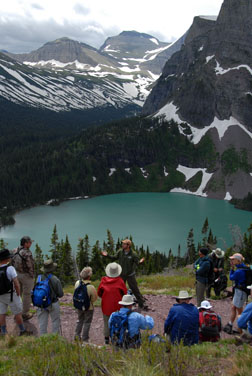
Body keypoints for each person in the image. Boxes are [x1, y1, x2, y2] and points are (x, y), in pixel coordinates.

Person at [101, 239, 147, 309]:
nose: (122, 245)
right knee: (120, 290)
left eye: (124, 244)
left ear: (128, 245)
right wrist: (107, 255)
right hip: (121, 275)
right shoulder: (120, 252)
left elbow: (137, 263)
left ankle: (141, 303)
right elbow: (114, 257)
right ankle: (121, 304)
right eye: (122, 244)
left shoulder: (133, 254)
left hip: (130, 275)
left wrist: (141, 262)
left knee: (135, 289)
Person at [0, 248, 30, 336]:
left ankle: (3, 332)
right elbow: (16, 283)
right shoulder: (10, 268)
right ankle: (22, 330)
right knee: (17, 312)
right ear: (7, 258)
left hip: (0, 295)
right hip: (11, 295)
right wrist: (18, 293)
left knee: (2, 313)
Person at [98, 262, 127, 344]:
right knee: (117, 322)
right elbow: (125, 293)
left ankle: (106, 339)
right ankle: (116, 338)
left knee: (106, 322)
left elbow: (99, 293)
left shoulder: (103, 281)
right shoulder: (120, 281)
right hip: (117, 307)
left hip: (106, 306)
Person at [36, 259, 64, 336]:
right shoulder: (55, 279)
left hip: (41, 304)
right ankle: (55, 339)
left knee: (42, 323)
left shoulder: (39, 278)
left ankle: (43, 340)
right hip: (53, 303)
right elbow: (60, 294)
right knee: (55, 321)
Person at [224, 253, 248, 334]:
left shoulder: (239, 271)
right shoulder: (243, 268)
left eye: (233, 259)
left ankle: (241, 329)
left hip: (240, 292)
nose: (232, 261)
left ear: (238, 260)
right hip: (239, 291)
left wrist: (231, 269)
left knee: (239, 311)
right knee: (234, 308)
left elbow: (231, 277)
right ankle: (231, 324)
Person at [12, 236, 35, 321]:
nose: (31, 244)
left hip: (17, 274)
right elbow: (30, 265)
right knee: (26, 294)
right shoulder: (26, 253)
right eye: (29, 242)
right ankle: (25, 313)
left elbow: (12, 262)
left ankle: (17, 313)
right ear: (25, 243)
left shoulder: (15, 250)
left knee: (18, 293)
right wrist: (32, 276)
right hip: (26, 276)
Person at [74, 266, 97, 343]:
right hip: (88, 307)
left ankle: (77, 336)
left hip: (79, 305)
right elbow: (94, 299)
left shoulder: (77, 283)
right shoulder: (91, 287)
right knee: (87, 322)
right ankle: (85, 338)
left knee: (80, 320)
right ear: (89, 276)